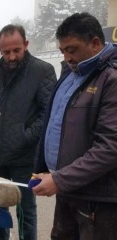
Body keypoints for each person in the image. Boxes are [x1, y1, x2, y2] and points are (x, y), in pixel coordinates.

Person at [33, 12, 117, 240]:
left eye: (73, 49)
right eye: (63, 51)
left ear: (95, 43)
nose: (67, 57)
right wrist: (45, 167)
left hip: (97, 200)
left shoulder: (111, 79)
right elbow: (56, 123)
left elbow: (110, 148)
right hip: (69, 190)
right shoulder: (72, 74)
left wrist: (60, 180)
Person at [0, 24, 57, 240]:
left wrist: (24, 137)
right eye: (6, 51)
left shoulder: (42, 71)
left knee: (26, 210)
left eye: (16, 50)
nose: (11, 57)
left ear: (26, 45)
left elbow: (48, 114)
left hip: (25, 158)